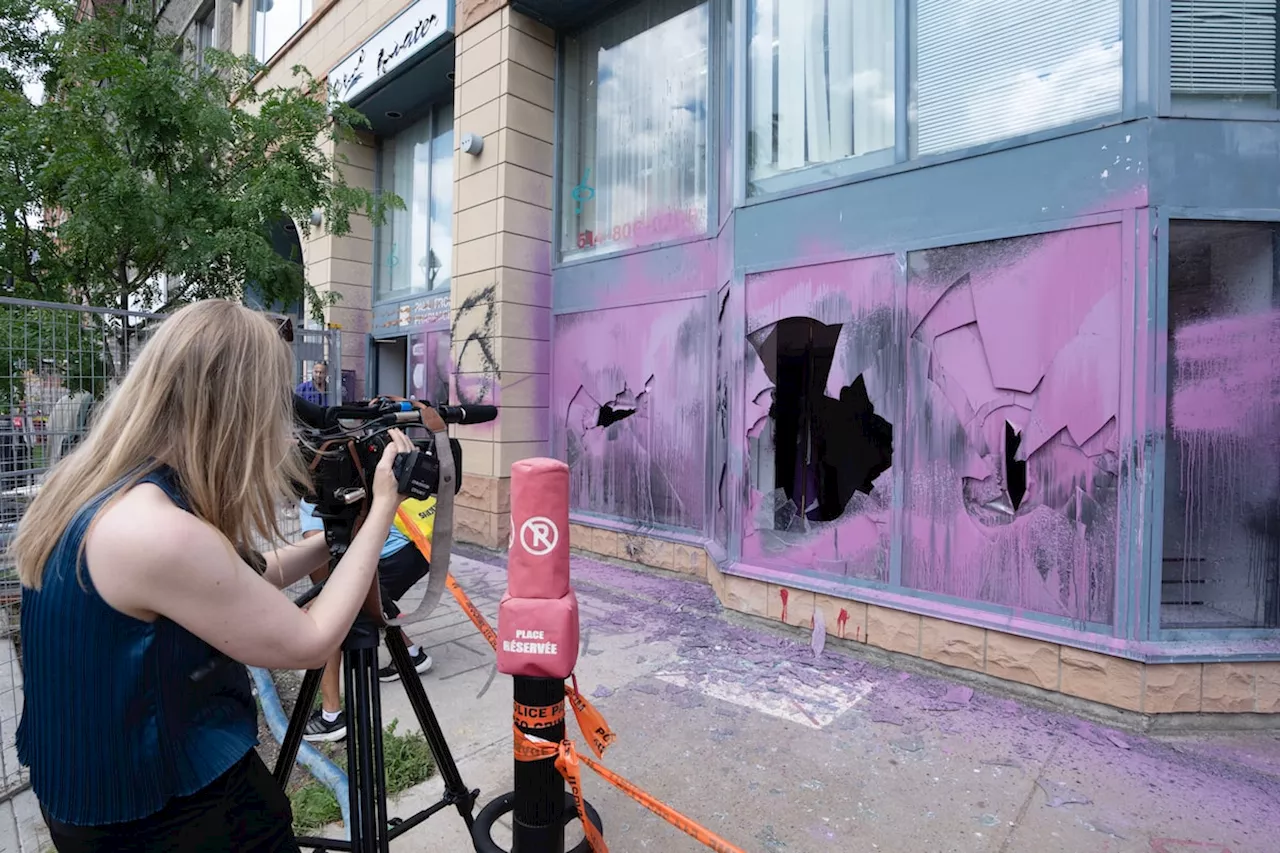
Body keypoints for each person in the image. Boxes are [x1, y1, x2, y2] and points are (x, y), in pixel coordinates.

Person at [11, 299, 416, 852]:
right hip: (169, 816)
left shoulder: (101, 492)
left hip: (90, 801)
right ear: (236, 408)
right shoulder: (159, 532)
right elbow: (310, 639)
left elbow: (239, 585)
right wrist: (384, 510)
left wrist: (336, 535)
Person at [297, 499, 433, 743]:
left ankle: (331, 717)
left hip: (390, 557)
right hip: (416, 548)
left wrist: (320, 605)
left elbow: (325, 585)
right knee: (372, 601)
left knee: (329, 614)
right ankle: (411, 655)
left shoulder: (314, 500)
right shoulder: (356, 476)